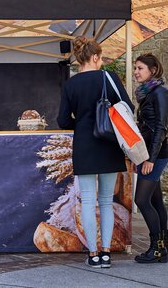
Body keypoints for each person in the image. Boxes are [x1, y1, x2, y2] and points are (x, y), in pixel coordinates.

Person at [57, 36, 133, 268]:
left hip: (84, 146)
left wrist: (81, 124)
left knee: (88, 201)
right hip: (109, 144)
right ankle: (107, 252)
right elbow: (127, 108)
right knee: (107, 201)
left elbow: (62, 121)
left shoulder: (71, 84)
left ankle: (92, 253)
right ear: (95, 57)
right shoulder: (109, 78)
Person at [133, 53, 168, 264]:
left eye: (140, 68)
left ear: (153, 70)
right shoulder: (147, 93)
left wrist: (150, 160)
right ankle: (164, 247)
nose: (136, 72)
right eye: (135, 68)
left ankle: (156, 249)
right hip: (147, 153)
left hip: (156, 154)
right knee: (156, 201)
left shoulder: (160, 93)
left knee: (141, 200)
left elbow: (161, 128)